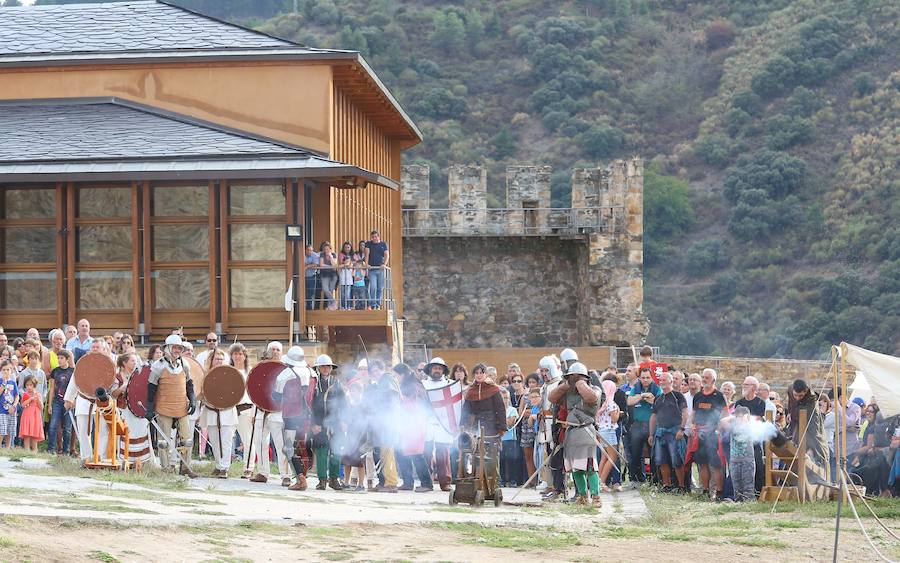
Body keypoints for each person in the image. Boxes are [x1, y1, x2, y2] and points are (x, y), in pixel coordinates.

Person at [144, 334, 198, 478]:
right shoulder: (158, 366)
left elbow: (189, 384)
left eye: (179, 347)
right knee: (164, 441)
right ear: (167, 348)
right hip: (164, 407)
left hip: (181, 406)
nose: (177, 350)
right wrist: (149, 407)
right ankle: (166, 468)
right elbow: (151, 388)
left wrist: (192, 400)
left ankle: (186, 467)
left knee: (186, 440)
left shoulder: (184, 364)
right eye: (174, 347)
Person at [549, 362, 601, 505]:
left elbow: (592, 399)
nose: (574, 379)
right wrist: (565, 385)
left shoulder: (595, 389)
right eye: (572, 377)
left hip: (586, 432)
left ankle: (596, 497)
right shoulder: (567, 393)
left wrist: (580, 383)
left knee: (590, 467)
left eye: (577, 377)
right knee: (576, 468)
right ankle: (583, 497)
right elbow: (552, 398)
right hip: (571, 433)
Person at [460, 361, 507, 492]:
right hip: (475, 427)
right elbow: (466, 410)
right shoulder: (471, 391)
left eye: (481, 372)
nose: (479, 375)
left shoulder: (494, 389)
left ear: (485, 374)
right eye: (476, 373)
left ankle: (493, 485)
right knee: (473, 455)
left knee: (492, 455)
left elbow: (500, 409)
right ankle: (476, 484)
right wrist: (463, 426)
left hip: (491, 426)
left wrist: (502, 427)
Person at [273, 348, 314, 491]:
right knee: (302, 447)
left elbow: (276, 397)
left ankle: (301, 479)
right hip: (308, 416)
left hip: (291, 415)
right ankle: (303, 477)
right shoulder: (312, 372)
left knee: (289, 448)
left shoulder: (284, 375)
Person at [250, 342, 290, 485]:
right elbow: (254, 388)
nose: (275, 352)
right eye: (272, 349)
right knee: (260, 443)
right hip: (261, 411)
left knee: (281, 445)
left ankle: (286, 475)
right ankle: (262, 472)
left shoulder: (287, 370)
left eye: (278, 350)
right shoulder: (261, 368)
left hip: (278, 412)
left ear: (282, 352)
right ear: (268, 352)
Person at [688, 368, 727, 500]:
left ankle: (720, 492)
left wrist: (719, 429)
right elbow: (693, 414)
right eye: (703, 377)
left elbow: (725, 414)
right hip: (700, 433)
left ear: (714, 380)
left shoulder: (719, 396)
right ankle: (705, 491)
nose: (704, 379)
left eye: (707, 377)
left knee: (716, 464)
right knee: (702, 463)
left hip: (713, 433)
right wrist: (692, 425)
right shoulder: (698, 396)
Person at [395, 363, 434, 492]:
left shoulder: (413, 385)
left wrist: (402, 401)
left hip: (415, 423)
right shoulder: (409, 384)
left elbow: (415, 405)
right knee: (401, 452)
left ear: (403, 374)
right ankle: (407, 482)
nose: (396, 378)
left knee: (416, 454)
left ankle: (427, 484)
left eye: (397, 375)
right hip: (407, 424)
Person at [365, 359, 400, 493]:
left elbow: (391, 399)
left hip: (388, 421)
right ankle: (384, 482)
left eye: (376, 370)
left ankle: (391, 483)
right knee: (383, 453)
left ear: (382, 369)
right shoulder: (380, 383)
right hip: (382, 422)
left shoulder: (387, 379)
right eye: (372, 371)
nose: (375, 373)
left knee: (388, 453)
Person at [200, 349, 237, 479]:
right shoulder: (205, 375)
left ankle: (224, 467)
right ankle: (218, 464)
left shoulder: (230, 375)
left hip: (226, 412)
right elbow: (201, 393)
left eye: (221, 359)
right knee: (215, 440)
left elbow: (235, 392)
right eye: (217, 359)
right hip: (211, 411)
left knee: (226, 441)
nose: (219, 361)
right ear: (211, 360)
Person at [649, 371, 687, 492]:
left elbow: (685, 412)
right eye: (660, 380)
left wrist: (682, 429)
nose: (662, 382)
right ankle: (666, 485)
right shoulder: (658, 398)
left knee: (677, 460)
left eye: (664, 380)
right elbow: (654, 416)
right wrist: (651, 434)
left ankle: (681, 486)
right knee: (661, 459)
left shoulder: (678, 396)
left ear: (671, 381)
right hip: (660, 432)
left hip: (674, 431)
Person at [421, 357, 454, 492]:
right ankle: (426, 482)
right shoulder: (422, 384)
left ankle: (445, 482)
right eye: (435, 368)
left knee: (443, 454)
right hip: (427, 421)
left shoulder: (450, 384)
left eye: (440, 368)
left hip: (443, 422)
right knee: (426, 453)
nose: (437, 370)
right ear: (430, 369)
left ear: (443, 371)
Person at [626, 367, 661, 483]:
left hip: (652, 425)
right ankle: (638, 479)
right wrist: (642, 396)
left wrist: (651, 399)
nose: (645, 380)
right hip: (637, 425)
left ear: (652, 378)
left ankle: (655, 480)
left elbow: (659, 403)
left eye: (648, 378)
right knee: (635, 453)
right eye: (643, 378)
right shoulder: (636, 388)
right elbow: (629, 401)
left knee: (654, 454)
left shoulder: (657, 389)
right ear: (639, 378)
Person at [786, 378, 828, 474]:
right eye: (795, 395)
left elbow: (814, 427)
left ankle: (819, 462)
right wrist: (789, 412)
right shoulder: (790, 390)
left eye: (800, 395)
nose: (797, 398)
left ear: (805, 391)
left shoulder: (811, 400)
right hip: (795, 424)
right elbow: (791, 403)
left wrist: (812, 446)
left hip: (810, 423)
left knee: (813, 438)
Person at [734, 376, 767, 494]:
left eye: (746, 384)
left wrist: (745, 420)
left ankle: (758, 492)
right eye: (743, 384)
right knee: (740, 467)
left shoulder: (760, 402)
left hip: (754, 439)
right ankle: (741, 492)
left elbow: (758, 418)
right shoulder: (739, 403)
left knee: (757, 465)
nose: (743, 386)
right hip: (741, 440)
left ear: (753, 387)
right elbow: (736, 419)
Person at [228, 343, 255, 478]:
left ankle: (248, 468)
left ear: (245, 356)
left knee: (248, 440)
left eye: (240, 354)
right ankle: (223, 466)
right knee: (227, 439)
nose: (237, 356)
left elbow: (254, 393)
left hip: (246, 409)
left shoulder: (249, 372)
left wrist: (254, 411)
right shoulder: (227, 371)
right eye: (235, 354)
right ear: (231, 356)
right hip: (229, 409)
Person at [46, 349, 74, 455]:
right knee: (53, 425)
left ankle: (66, 451)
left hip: (68, 402)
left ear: (67, 359)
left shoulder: (72, 371)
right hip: (57, 402)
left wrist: (73, 401)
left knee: (67, 428)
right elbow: (52, 388)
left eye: (61, 358)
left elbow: (75, 388)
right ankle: (51, 449)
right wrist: (50, 404)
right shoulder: (55, 371)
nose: (59, 360)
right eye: (58, 358)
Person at [595, 378, 620, 493]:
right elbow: (614, 419)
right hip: (609, 431)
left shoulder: (600, 401)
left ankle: (598, 481)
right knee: (612, 457)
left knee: (604, 457)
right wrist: (618, 412)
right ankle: (602, 482)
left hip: (601, 430)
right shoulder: (610, 402)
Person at [726, 406, 756, 501]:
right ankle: (738, 502)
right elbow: (723, 422)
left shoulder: (750, 427)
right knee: (736, 486)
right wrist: (733, 418)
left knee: (748, 486)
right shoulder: (732, 427)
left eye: (741, 416)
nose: (739, 419)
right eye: (737, 417)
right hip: (734, 461)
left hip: (747, 461)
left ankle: (749, 502)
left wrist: (745, 420)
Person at [17, 375, 44, 452]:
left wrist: (38, 400)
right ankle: (26, 450)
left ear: (34, 385)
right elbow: (22, 404)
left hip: (35, 415)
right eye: (27, 385)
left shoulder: (38, 394)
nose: (29, 387)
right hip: (27, 414)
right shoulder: (25, 394)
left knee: (34, 433)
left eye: (30, 385)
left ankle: (35, 450)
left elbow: (41, 407)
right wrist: (30, 399)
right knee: (27, 433)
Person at [364, 230, 389, 309]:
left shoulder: (383, 244)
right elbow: (366, 254)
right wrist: (367, 264)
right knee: (373, 287)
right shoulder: (368, 244)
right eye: (372, 237)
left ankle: (378, 304)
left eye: (376, 236)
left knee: (380, 287)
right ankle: (373, 304)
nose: (374, 238)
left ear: (378, 236)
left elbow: (387, 255)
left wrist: (384, 264)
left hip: (380, 269)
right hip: (372, 269)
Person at [0, 360, 20, 448]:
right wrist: (4, 383)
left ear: (11, 370)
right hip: (2, 410)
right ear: (1, 370)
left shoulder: (13, 382)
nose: (6, 371)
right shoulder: (0, 381)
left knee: (10, 430)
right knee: (2, 430)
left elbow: (17, 395)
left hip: (11, 410)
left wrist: (14, 405)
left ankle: (7, 448)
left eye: (8, 369)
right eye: (4, 370)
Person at [319, 242, 339, 310]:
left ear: (330, 249)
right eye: (325, 249)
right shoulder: (322, 254)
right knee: (325, 289)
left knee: (330, 290)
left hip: (333, 275)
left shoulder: (333, 254)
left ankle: (329, 307)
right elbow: (321, 264)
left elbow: (334, 266)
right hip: (324, 274)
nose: (326, 250)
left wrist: (331, 257)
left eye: (327, 249)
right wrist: (330, 266)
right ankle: (334, 302)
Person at [304, 244, 320, 310]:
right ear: (305, 250)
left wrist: (307, 266)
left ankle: (309, 309)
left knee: (310, 294)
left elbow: (316, 264)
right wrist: (310, 265)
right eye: (308, 250)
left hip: (311, 276)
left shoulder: (314, 255)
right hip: (301, 276)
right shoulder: (301, 254)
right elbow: (301, 264)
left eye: (311, 250)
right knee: (301, 293)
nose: (310, 252)